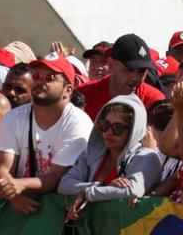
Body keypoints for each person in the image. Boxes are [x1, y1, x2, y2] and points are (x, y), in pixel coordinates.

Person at [0, 53, 93, 215]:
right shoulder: (12, 117)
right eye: (37, 75)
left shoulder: (79, 123)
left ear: (67, 91)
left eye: (50, 77)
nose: (40, 81)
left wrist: (20, 185)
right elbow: (3, 168)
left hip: (60, 213)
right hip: (17, 205)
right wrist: (13, 196)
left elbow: (55, 177)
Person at [59, 94, 162, 222]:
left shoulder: (146, 157)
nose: (108, 132)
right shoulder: (90, 153)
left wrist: (86, 193)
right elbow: (64, 184)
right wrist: (102, 186)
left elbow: (133, 191)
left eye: (117, 128)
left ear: (133, 131)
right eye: (105, 125)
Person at [79, 34, 165, 119]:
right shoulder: (85, 95)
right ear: (111, 65)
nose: (135, 78)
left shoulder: (154, 102)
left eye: (142, 71)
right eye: (129, 69)